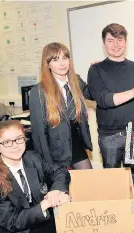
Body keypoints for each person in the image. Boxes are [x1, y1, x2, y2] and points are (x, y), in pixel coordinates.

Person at [0, 120, 71, 233]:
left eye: (19, 139)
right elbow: (13, 221)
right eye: (7, 142)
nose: (15, 146)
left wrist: (56, 190)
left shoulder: (33, 158)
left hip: (40, 223)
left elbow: (59, 171)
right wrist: (44, 205)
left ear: (24, 139)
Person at [87, 23, 134, 189]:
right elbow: (104, 100)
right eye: (110, 40)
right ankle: (117, 215)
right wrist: (133, 91)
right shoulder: (96, 70)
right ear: (104, 43)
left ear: (126, 41)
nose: (116, 45)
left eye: (120, 40)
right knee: (112, 182)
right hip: (109, 137)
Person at [29, 42, 93, 170]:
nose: (62, 63)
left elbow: (93, 94)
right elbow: (39, 132)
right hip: (55, 149)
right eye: (55, 59)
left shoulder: (76, 80)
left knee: (89, 181)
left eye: (65, 58)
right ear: (47, 64)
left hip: (76, 142)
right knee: (62, 186)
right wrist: (46, 161)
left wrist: (95, 71)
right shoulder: (39, 91)